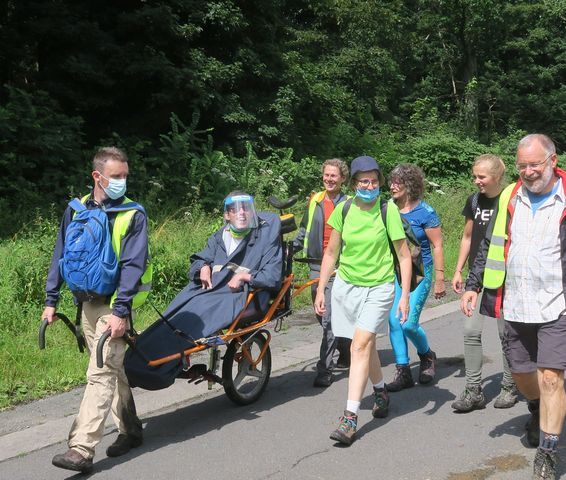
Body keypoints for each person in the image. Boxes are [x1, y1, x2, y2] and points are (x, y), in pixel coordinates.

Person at [460, 134, 566, 480]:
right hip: (516, 304)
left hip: (559, 304)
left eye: (534, 164)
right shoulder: (509, 196)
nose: (528, 172)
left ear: (553, 160)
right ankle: (535, 408)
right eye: (522, 166)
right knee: (524, 377)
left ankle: (548, 454)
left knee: (551, 378)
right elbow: (489, 245)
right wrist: (474, 283)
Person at [43, 147, 152, 473]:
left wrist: (121, 312)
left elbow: (133, 266)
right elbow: (60, 253)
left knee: (100, 374)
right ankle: (131, 430)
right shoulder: (75, 210)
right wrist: (51, 300)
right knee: (114, 371)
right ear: (97, 176)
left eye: (125, 176)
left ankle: (81, 448)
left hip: (113, 306)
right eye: (116, 176)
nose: (122, 182)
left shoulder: (133, 214)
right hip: (85, 305)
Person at [124, 192, 283, 391]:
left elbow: (273, 275)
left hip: (239, 295)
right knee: (173, 317)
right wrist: (203, 267)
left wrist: (245, 277)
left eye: (246, 208)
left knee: (189, 326)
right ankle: (135, 360)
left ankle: (159, 369)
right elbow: (199, 259)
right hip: (206, 291)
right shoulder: (219, 237)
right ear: (227, 215)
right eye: (235, 209)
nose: (241, 213)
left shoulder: (264, 238)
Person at [314, 155, 412, 446]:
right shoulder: (344, 209)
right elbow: (331, 253)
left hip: (379, 289)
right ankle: (380, 390)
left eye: (374, 180)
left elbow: (404, 256)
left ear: (379, 181)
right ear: (354, 183)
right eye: (363, 181)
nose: (369, 185)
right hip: (346, 287)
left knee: (358, 346)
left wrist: (404, 296)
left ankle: (349, 418)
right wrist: (321, 289)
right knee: (364, 345)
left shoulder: (388, 210)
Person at [451, 154, 518, 411]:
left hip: (504, 278)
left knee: (506, 334)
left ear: (497, 177)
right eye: (475, 176)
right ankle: (473, 390)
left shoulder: (511, 201)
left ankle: (509, 386)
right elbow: (467, 237)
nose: (477, 181)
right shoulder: (475, 201)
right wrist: (458, 270)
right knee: (470, 331)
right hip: (476, 277)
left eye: (482, 176)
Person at [293, 158, 352, 388]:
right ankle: (345, 349)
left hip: (339, 266)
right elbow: (304, 230)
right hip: (316, 264)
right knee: (320, 315)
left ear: (343, 179)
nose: (329, 179)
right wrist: (287, 248)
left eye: (334, 176)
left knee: (327, 317)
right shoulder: (315, 200)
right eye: (326, 175)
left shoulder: (349, 203)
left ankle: (324, 369)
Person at [385, 164, 444, 392]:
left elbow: (437, 245)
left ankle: (427, 355)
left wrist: (440, 278)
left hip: (421, 273)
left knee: (409, 324)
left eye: (397, 182)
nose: (392, 186)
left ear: (410, 185)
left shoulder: (425, 212)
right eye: (391, 181)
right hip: (396, 273)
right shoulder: (388, 209)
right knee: (393, 320)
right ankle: (403, 371)